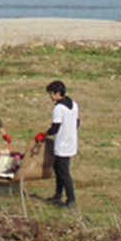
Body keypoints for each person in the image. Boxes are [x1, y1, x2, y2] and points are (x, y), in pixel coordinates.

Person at [34, 80, 80, 208]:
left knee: (64, 172)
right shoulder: (74, 104)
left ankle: (71, 199)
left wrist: (44, 134)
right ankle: (58, 194)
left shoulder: (59, 108)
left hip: (62, 145)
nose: (50, 97)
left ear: (57, 93)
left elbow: (55, 127)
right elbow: (77, 122)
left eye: (51, 94)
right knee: (58, 169)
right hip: (71, 141)